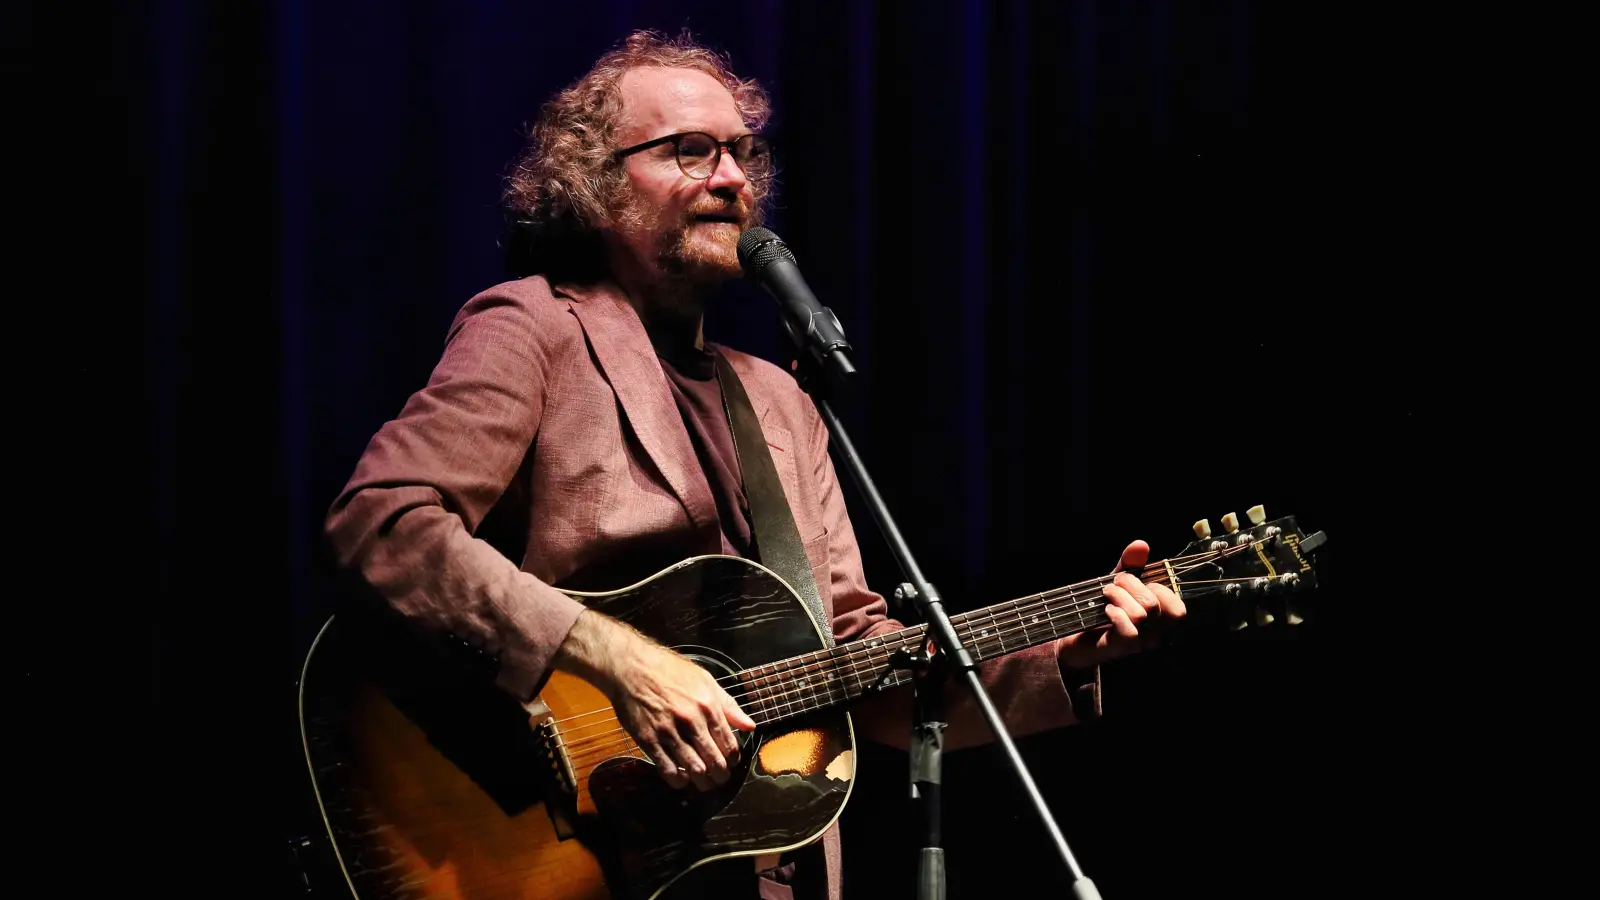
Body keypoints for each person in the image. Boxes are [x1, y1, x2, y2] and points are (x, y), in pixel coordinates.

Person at [324, 29, 1186, 900]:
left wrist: (1071, 657)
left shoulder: (777, 399)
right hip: (555, 851)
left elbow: (858, 659)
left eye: (741, 152)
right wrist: (625, 663)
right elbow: (383, 522)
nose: (734, 180)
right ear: (594, 183)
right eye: (691, 151)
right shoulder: (536, 331)